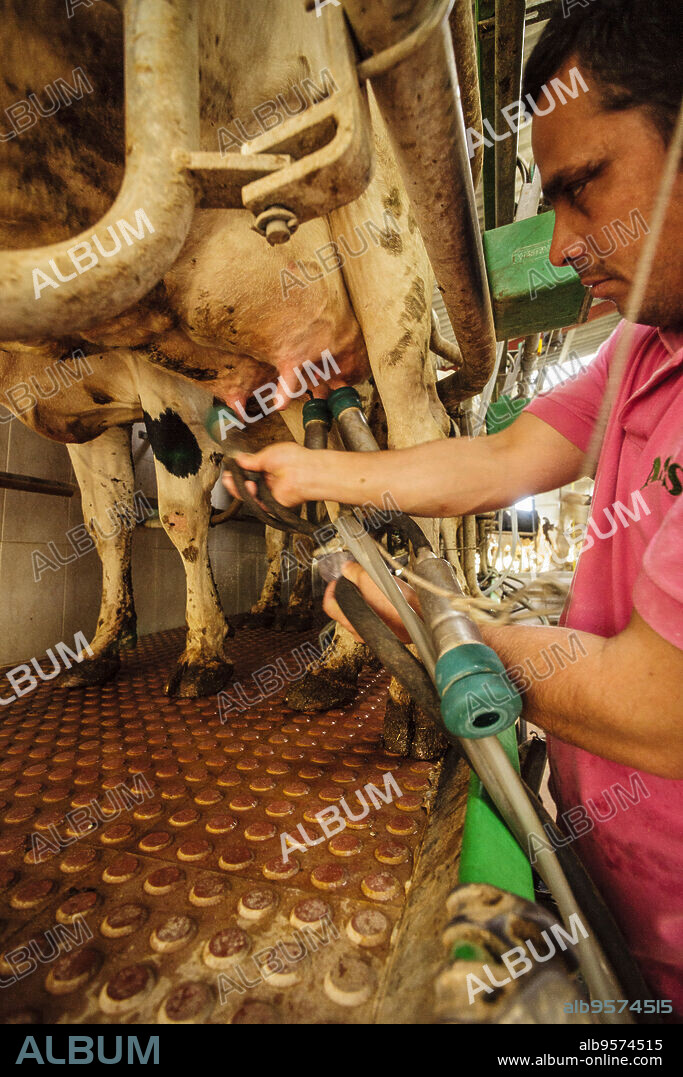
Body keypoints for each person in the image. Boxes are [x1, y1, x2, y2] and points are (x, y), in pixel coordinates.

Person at [224, 0, 683, 1010]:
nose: (560, 247)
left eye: (581, 188)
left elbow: (660, 716)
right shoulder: (645, 349)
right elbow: (504, 457)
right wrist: (314, 475)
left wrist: (446, 636)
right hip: (609, 886)